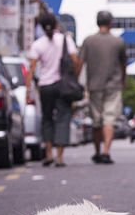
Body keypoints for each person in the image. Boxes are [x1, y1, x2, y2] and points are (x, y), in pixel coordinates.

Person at [28, 12, 79, 167]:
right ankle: (60, 157)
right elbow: (75, 61)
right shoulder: (65, 39)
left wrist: (27, 90)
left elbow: (31, 68)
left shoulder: (38, 44)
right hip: (63, 86)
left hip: (45, 86)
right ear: (56, 24)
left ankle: (48, 153)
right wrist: (73, 78)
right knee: (63, 118)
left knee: (47, 119)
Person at [80, 10, 127, 164]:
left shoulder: (88, 41)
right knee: (109, 119)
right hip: (113, 86)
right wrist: (123, 81)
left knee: (96, 121)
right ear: (110, 23)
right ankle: (106, 151)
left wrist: (77, 82)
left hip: (94, 86)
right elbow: (123, 65)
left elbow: (80, 63)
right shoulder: (118, 42)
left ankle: (97, 151)